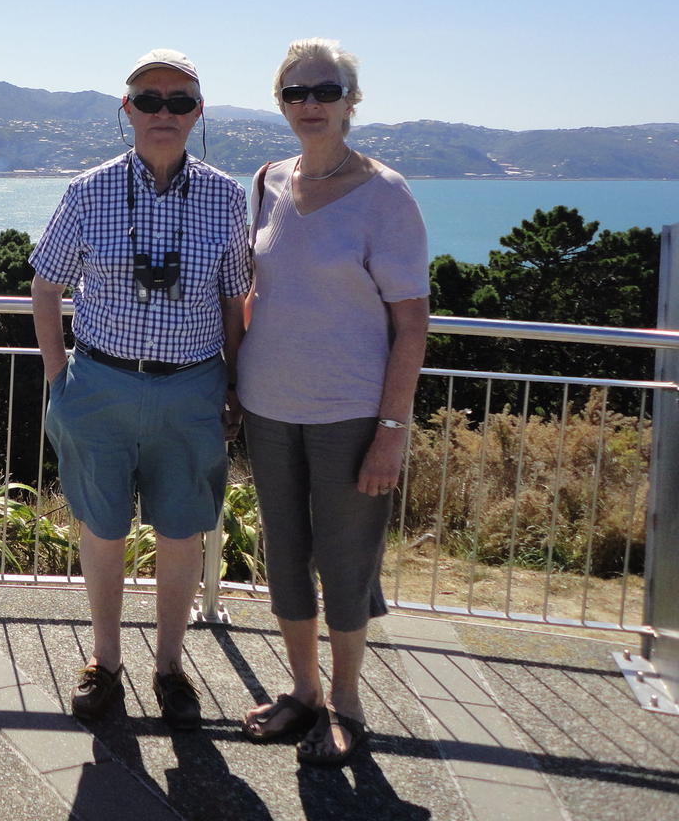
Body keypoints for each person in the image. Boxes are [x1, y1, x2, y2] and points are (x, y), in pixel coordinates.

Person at [30, 48, 251, 729]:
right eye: (149, 100)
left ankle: (170, 666)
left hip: (190, 388)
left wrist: (234, 385)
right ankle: (105, 663)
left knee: (183, 533)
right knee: (102, 529)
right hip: (99, 384)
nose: (164, 112)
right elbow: (45, 285)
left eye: (179, 101)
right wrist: (58, 377)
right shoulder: (88, 189)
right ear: (126, 110)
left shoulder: (225, 195)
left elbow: (233, 302)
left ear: (198, 113)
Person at [236, 38, 430, 766]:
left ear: (352, 101)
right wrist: (231, 379)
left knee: (346, 564)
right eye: (295, 92)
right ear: (281, 104)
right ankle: (304, 692)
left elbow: (411, 322)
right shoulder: (267, 180)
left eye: (325, 90)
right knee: (285, 556)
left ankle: (348, 704)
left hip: (350, 413)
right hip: (267, 404)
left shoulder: (386, 194)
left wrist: (391, 429)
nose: (309, 104)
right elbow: (255, 292)